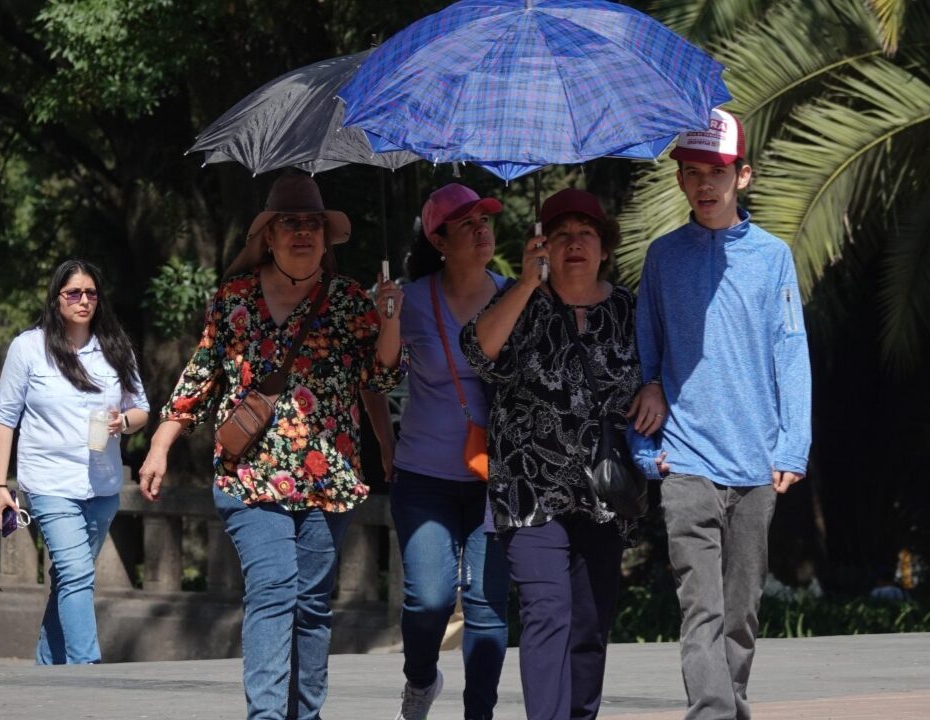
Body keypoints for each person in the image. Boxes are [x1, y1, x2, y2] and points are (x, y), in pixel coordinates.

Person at [138, 174, 405, 720]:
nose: (303, 232)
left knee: (312, 606)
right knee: (274, 590)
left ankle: (305, 714)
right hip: (249, 477)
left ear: (327, 237)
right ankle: (265, 716)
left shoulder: (353, 302)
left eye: (313, 223)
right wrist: (159, 445)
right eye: (291, 223)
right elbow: (200, 377)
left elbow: (379, 379)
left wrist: (390, 321)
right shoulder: (234, 299)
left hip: (328, 478)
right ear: (270, 235)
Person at [632, 109, 812, 720]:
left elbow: (791, 351)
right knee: (700, 608)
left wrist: (793, 445)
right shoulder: (662, 257)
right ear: (679, 180)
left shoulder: (773, 257)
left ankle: (730, 704)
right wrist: (642, 446)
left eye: (717, 170)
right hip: (685, 459)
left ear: (744, 176)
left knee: (741, 613)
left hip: (758, 463)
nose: (704, 184)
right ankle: (711, 713)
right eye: (691, 172)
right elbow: (645, 355)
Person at [460, 188, 643, 720]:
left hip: (605, 494)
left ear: (604, 246)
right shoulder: (521, 303)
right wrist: (524, 283)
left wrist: (652, 391)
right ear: (542, 245)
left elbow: (661, 372)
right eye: (560, 234)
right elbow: (478, 352)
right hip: (529, 491)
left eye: (585, 233)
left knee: (589, 626)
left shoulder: (629, 308)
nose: (574, 244)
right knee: (547, 613)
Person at [379, 184, 512, 720]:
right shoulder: (409, 299)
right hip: (424, 474)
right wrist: (387, 319)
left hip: (494, 477)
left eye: (486, 221)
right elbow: (380, 373)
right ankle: (420, 680)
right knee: (429, 600)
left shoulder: (514, 294)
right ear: (439, 240)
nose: (482, 231)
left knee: (485, 606)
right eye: (467, 225)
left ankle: (478, 713)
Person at [0, 259, 150, 665]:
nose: (83, 300)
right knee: (78, 574)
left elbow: (142, 408)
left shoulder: (115, 347)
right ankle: (88, 669)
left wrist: (123, 421)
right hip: (48, 482)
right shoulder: (29, 348)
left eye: (91, 293)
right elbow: (4, 418)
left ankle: (46, 669)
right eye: (73, 293)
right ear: (56, 298)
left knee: (68, 579)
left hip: (101, 487)